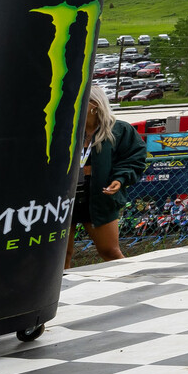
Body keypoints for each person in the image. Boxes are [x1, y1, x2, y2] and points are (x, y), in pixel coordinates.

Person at [68, 82, 146, 265]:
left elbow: (134, 158)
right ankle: (61, 292)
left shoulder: (119, 130)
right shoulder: (68, 129)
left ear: (94, 105)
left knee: (110, 251)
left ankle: (130, 284)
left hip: (99, 197)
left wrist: (120, 179)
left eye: (80, 101)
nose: (73, 105)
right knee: (61, 255)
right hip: (65, 200)